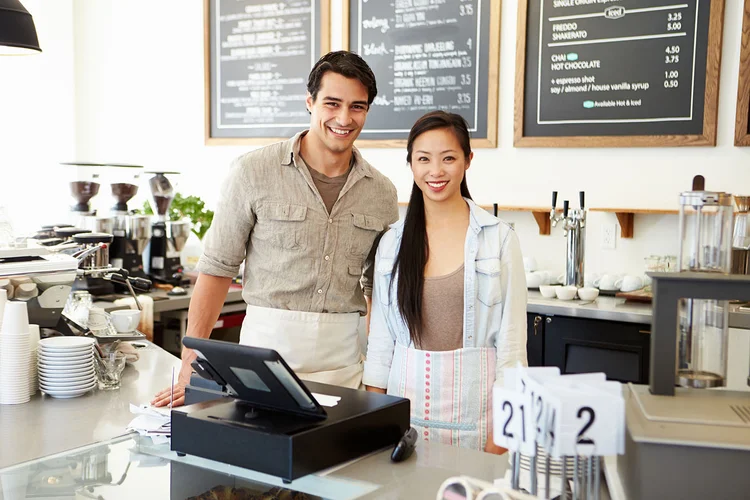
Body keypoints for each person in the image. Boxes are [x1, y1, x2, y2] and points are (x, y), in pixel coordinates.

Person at [152, 51, 398, 407]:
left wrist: (378, 378)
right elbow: (217, 269)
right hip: (261, 363)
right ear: (310, 102)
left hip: (344, 367)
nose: (344, 118)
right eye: (332, 103)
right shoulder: (253, 172)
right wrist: (191, 364)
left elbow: (379, 294)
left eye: (357, 107)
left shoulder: (382, 193)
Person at [363, 111, 527, 454]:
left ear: (468, 161)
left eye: (448, 158)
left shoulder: (498, 240)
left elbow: (511, 351)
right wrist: (371, 429)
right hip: (401, 417)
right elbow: (380, 347)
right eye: (423, 159)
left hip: (478, 420)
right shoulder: (392, 243)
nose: (435, 171)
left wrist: (498, 444)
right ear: (410, 164)